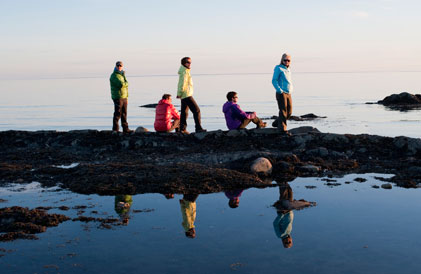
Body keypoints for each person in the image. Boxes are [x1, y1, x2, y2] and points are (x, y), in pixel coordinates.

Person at [177, 57, 206, 134]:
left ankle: (182, 129)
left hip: (185, 94)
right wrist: (179, 93)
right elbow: (182, 83)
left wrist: (180, 93)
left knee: (184, 112)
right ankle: (198, 128)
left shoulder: (185, 71)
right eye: (188, 62)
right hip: (186, 94)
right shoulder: (184, 72)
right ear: (184, 63)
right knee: (196, 110)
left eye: (190, 62)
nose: (190, 64)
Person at [272, 53, 293, 134]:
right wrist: (279, 90)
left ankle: (276, 123)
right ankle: (282, 129)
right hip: (281, 93)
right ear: (282, 60)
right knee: (283, 111)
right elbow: (274, 80)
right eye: (285, 60)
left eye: (288, 60)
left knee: (289, 112)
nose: (287, 62)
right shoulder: (278, 68)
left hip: (289, 93)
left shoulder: (288, 69)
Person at [110, 61, 133, 133]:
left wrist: (126, 97)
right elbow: (121, 85)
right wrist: (126, 83)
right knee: (118, 113)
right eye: (118, 65)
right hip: (118, 97)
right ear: (115, 66)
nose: (119, 66)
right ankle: (115, 129)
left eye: (120, 65)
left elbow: (125, 85)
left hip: (124, 97)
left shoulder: (122, 75)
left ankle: (125, 129)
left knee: (124, 113)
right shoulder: (114, 75)